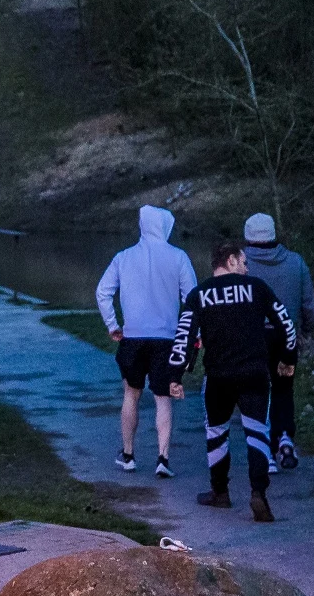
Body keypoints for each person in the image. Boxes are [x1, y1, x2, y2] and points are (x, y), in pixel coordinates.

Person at [161, 240, 299, 521]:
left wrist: (175, 375)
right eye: (245, 262)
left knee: (217, 433)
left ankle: (220, 492)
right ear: (232, 260)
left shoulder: (199, 295)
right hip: (255, 373)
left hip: (219, 376)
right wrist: (288, 359)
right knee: (257, 432)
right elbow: (286, 325)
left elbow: (184, 335)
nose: (247, 268)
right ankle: (258, 492)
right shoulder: (257, 288)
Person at [95, 205, 198, 476]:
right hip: (167, 338)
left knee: (132, 394)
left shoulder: (123, 257)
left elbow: (103, 292)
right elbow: (192, 299)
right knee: (163, 397)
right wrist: (192, 334)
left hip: (133, 336)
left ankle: (128, 454)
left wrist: (113, 324)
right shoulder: (179, 257)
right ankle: (163, 458)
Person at [239, 213, 314, 471]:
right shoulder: (296, 262)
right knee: (284, 387)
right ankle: (284, 436)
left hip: (254, 340)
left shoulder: (241, 263)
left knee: (258, 390)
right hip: (287, 339)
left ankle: (266, 452)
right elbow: (308, 303)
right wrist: (306, 329)